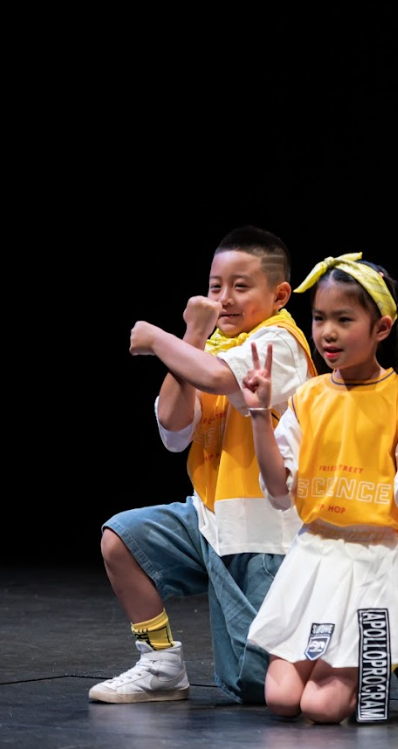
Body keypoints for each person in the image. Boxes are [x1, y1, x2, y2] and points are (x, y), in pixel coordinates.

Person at [96, 227, 316, 705]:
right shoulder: (207, 348)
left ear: (279, 296)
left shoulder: (280, 343)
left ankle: (372, 652)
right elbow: (173, 426)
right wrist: (192, 335)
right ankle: (160, 665)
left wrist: (158, 339)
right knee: (123, 539)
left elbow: (216, 378)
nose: (225, 298)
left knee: (253, 686)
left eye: (241, 286)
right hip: (209, 520)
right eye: (216, 286)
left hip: (265, 534)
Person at [242, 253, 398, 724]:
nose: (327, 333)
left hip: (372, 561)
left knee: (322, 708)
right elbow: (278, 490)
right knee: (280, 700)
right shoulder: (309, 396)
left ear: (381, 328)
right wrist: (259, 415)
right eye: (319, 318)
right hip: (315, 555)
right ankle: (390, 646)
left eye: (343, 319)